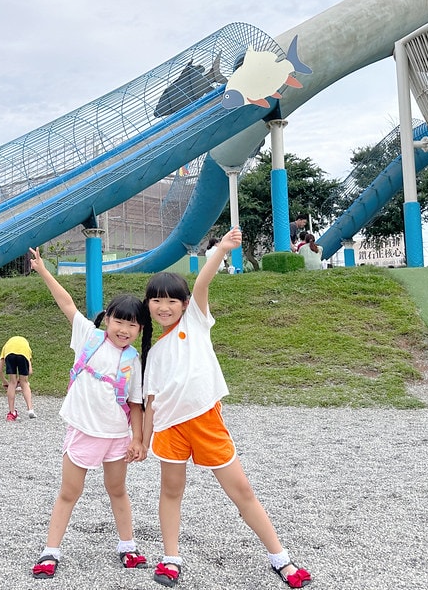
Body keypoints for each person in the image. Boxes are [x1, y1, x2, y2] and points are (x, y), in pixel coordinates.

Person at [142, 228, 311, 588]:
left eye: (172, 300)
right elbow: (151, 403)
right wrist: (141, 440)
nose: (164, 306)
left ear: (185, 305)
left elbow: (201, 283)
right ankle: (171, 558)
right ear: (148, 305)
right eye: (156, 300)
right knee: (171, 490)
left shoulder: (195, 322)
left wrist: (220, 249)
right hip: (169, 430)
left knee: (242, 491)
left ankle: (279, 557)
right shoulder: (152, 354)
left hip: (205, 421)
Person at [27, 246, 151, 579]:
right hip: (83, 430)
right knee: (69, 492)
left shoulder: (134, 362)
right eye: (119, 321)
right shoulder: (89, 337)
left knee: (118, 490)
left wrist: (138, 439)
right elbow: (67, 303)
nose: (124, 329)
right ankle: (50, 551)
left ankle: (128, 546)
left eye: (132, 325)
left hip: (116, 437)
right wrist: (42, 270)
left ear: (140, 330)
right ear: (107, 318)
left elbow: (136, 404)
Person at [0, 335, 36, 421]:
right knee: (25, 383)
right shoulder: (26, 347)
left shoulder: (6, 347)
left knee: (12, 383)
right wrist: (21, 380)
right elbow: (30, 371)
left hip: (9, 355)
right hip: (23, 355)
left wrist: (5, 382)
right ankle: (30, 409)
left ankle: (12, 413)